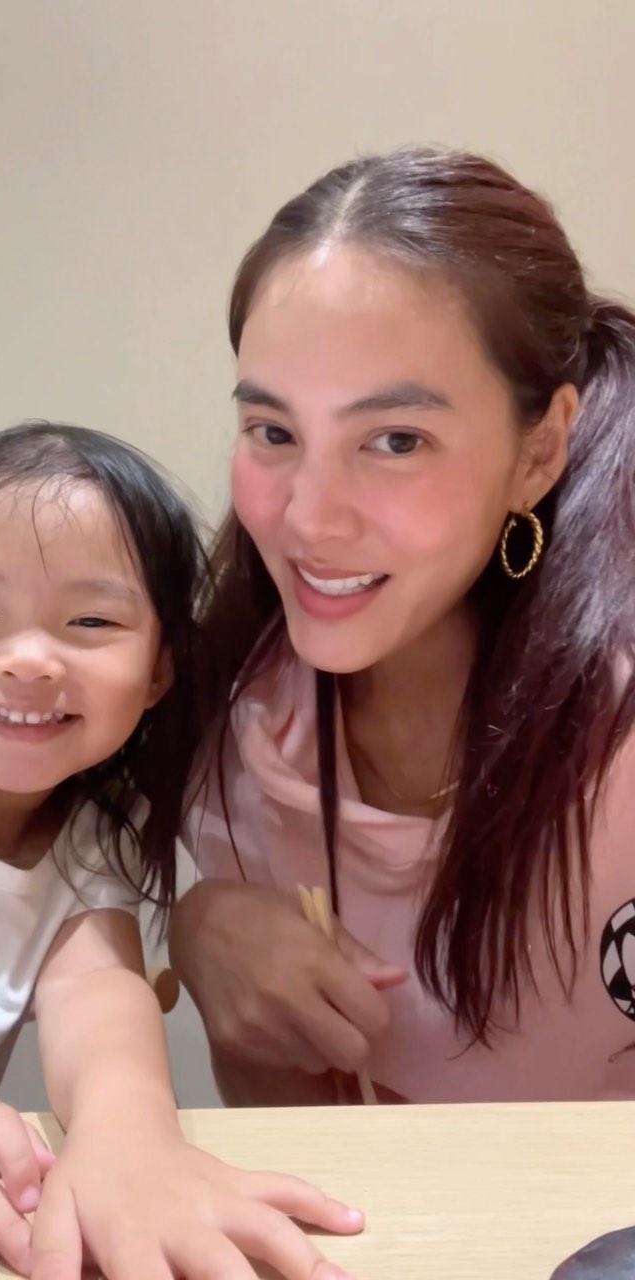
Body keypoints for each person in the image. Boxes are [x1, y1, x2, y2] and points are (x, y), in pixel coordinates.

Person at [171, 145, 635, 1108]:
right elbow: (317, 1151)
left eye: (395, 440)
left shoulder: (616, 737)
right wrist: (200, 930)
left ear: (539, 451)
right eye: (274, 432)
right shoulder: (238, 737)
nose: (308, 520)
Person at [0, 421, 363, 1280]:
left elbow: (97, 992)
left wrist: (131, 1142)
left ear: (159, 671)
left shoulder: (97, 832)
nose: (29, 659)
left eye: (90, 620)